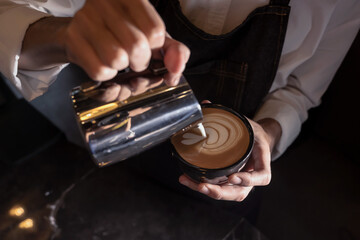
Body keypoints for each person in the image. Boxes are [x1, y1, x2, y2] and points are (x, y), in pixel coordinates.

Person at [0, 0, 359, 203]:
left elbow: (299, 92)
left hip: (227, 180)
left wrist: (267, 132)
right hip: (111, 137)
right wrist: (65, 35)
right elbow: (12, 21)